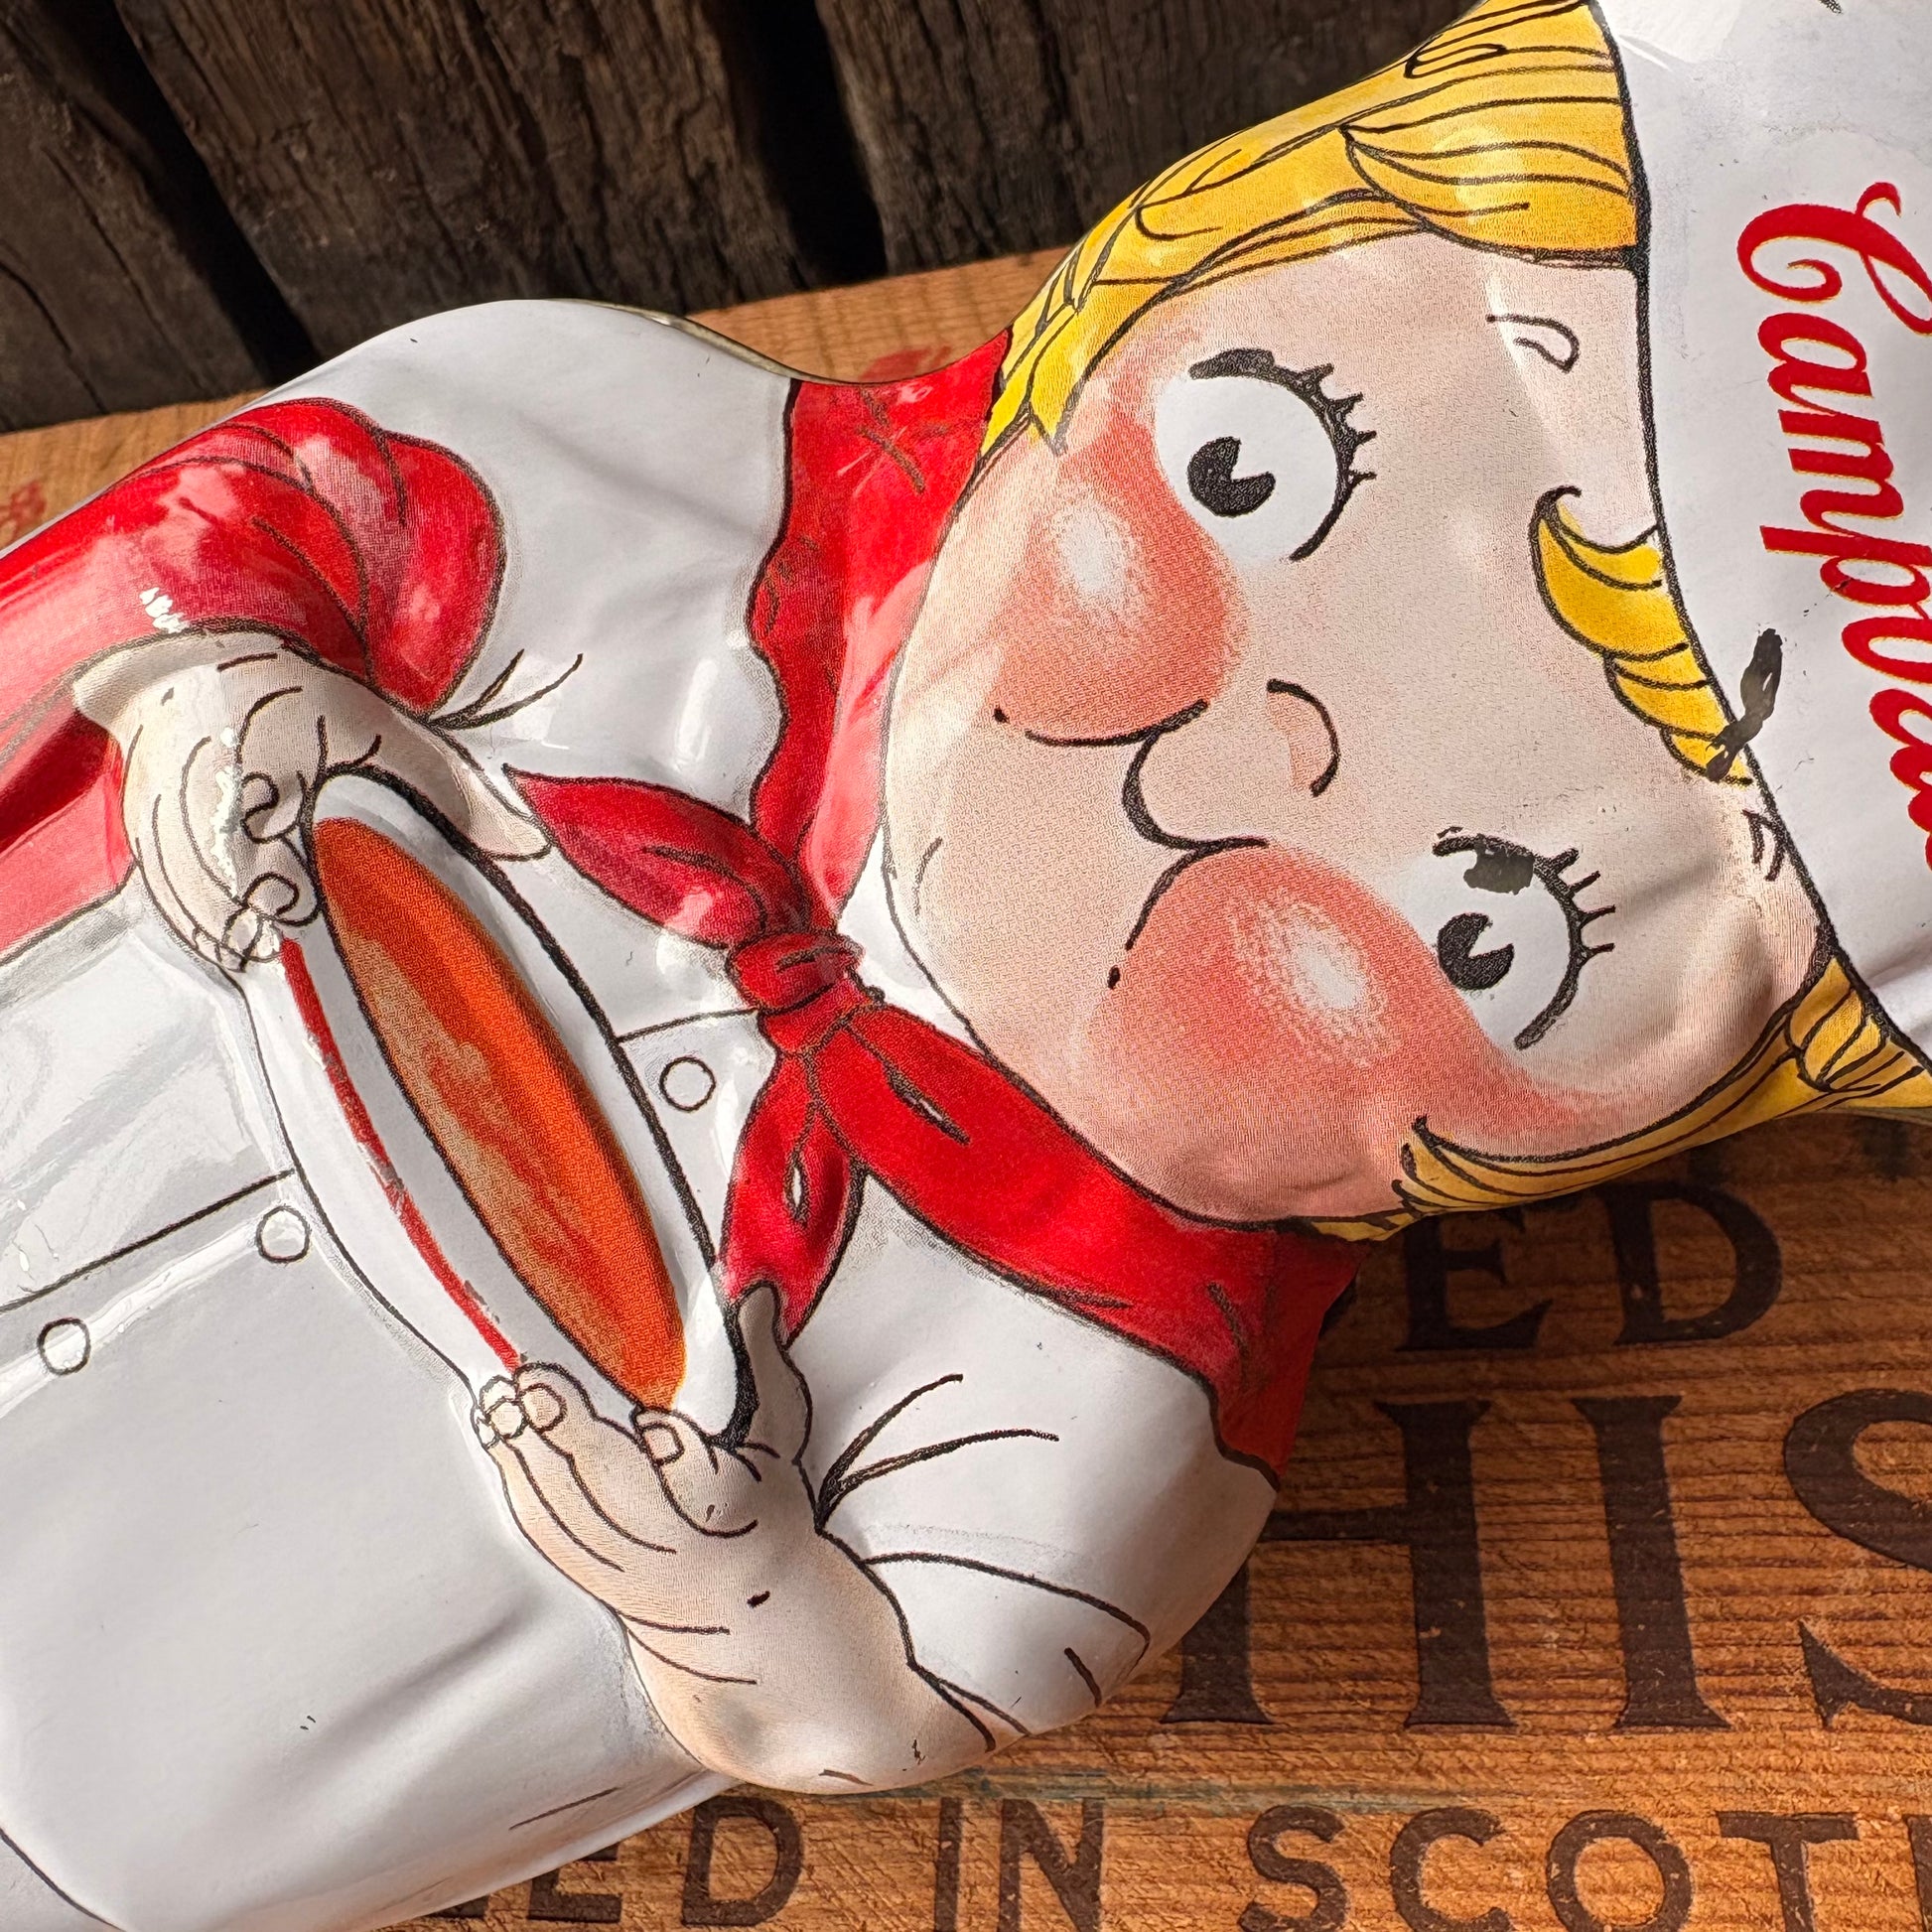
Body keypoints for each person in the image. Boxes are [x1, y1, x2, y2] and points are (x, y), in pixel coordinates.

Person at [1, 0, 1929, 1924]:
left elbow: (896, 1673)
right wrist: (214, 667)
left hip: (149, 1695)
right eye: (1256, 469)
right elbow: (279, 513)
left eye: (1489, 919)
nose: (1245, 765)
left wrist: (742, 1591)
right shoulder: (660, 481)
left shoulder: (1124, 1369)